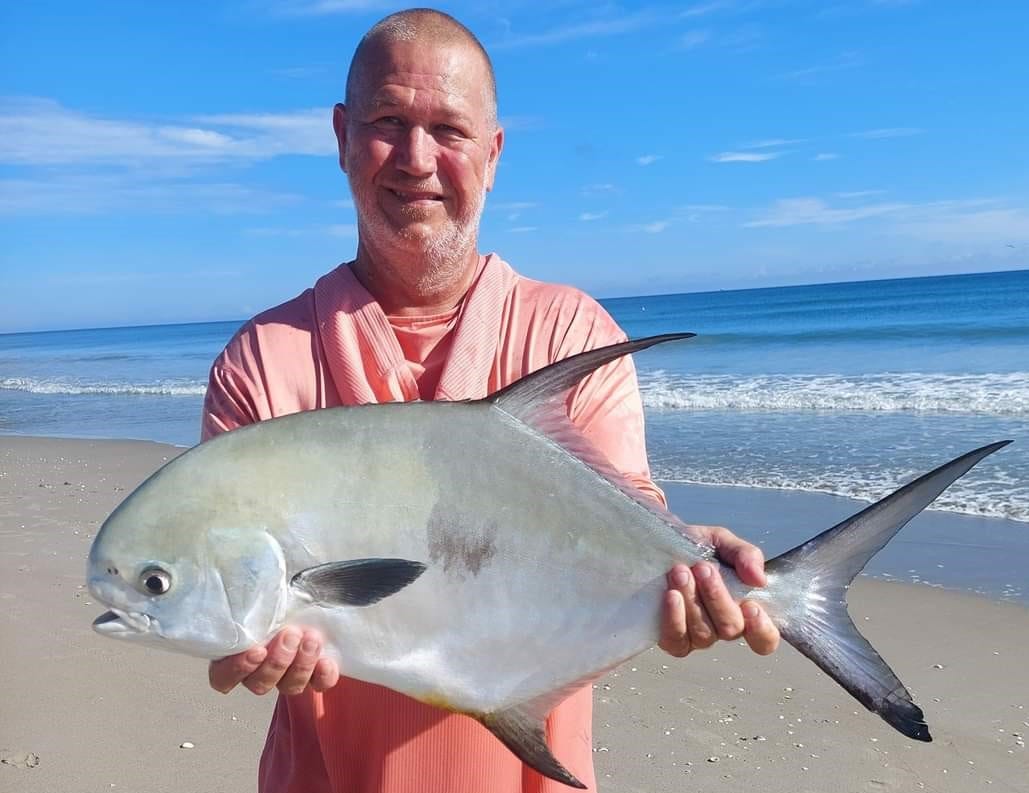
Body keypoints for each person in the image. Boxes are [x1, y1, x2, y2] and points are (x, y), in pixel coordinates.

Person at [201, 8, 779, 792]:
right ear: (341, 136)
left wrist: (683, 568)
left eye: (449, 129)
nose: (416, 157)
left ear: (493, 153)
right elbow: (225, 597)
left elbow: (627, 512)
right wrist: (236, 646)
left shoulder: (570, 333)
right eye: (387, 121)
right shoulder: (263, 362)